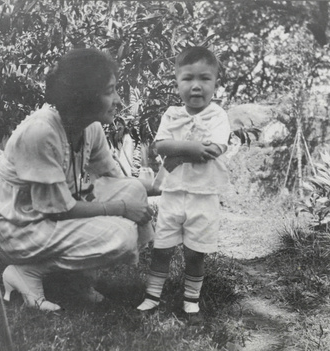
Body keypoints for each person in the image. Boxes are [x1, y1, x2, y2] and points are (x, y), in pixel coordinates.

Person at [0, 48, 155, 311]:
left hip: (50, 214)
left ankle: (75, 281)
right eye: (110, 91)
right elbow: (60, 210)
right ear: (84, 97)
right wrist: (122, 210)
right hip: (17, 225)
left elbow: (115, 180)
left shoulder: (90, 128)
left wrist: (149, 194)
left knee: (133, 190)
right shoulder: (41, 132)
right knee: (122, 236)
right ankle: (27, 272)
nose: (118, 100)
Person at [136, 47, 231, 319]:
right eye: (188, 79)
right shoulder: (172, 114)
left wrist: (178, 149)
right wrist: (191, 148)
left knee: (195, 252)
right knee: (162, 247)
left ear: (215, 83)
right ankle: (152, 297)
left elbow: (213, 150)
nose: (196, 86)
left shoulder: (218, 116)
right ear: (177, 82)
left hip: (204, 194)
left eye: (205, 79)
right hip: (173, 192)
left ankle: (191, 302)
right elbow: (160, 146)